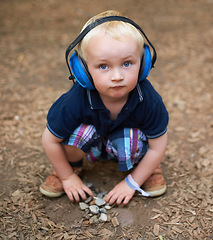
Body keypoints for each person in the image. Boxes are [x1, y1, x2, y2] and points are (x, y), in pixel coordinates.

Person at [39, 10, 169, 206]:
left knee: (139, 140)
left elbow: (157, 146)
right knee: (74, 136)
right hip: (92, 143)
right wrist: (66, 177)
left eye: (127, 63)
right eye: (103, 66)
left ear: (143, 63)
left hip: (125, 144)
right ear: (82, 70)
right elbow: (50, 140)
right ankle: (69, 168)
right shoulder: (75, 100)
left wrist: (131, 183)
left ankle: (147, 169)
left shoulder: (147, 99)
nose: (117, 76)